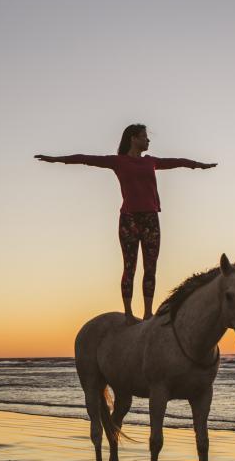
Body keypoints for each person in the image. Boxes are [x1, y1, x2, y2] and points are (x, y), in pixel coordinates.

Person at [35, 124, 216, 320]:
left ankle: (148, 312)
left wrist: (199, 165)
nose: (148, 140)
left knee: (150, 267)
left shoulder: (150, 162)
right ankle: (128, 312)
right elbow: (85, 159)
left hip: (150, 219)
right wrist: (55, 160)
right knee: (130, 266)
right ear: (133, 138)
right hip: (129, 219)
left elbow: (176, 162)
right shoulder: (118, 162)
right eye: (144, 136)